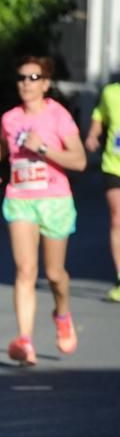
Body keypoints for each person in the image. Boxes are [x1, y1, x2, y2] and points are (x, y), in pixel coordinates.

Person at [0, 55, 86, 366]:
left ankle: (62, 313)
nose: (26, 84)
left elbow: (79, 161)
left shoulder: (59, 117)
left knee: (54, 274)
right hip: (20, 198)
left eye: (33, 78)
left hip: (54, 199)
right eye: (21, 78)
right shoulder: (10, 118)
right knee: (25, 271)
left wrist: (43, 148)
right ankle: (25, 340)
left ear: (46, 83)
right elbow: (3, 144)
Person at [84, 80, 120, 301]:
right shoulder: (110, 92)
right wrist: (93, 134)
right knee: (117, 219)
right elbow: (100, 114)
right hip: (113, 165)